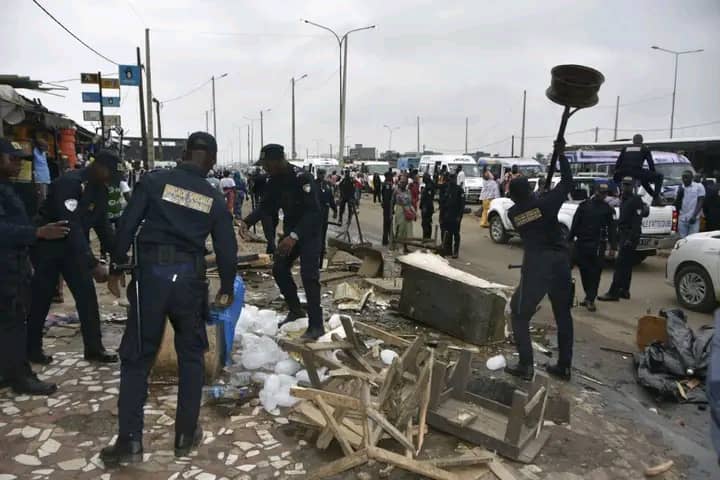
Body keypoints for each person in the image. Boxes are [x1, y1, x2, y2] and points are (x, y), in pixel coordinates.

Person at [100, 132, 238, 466]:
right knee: (191, 355)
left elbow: (126, 226)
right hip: (189, 281)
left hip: (151, 278)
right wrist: (228, 285)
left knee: (137, 359)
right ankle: (184, 435)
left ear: (185, 153)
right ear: (212, 160)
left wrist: (117, 266)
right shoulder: (213, 197)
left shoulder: (154, 181)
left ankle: (130, 442)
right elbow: (226, 248)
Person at [27, 150, 120, 365]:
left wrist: (118, 256)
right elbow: (71, 225)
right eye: (110, 174)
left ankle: (94, 349)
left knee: (87, 298)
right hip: (48, 247)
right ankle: (31, 349)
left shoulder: (100, 191)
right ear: (99, 167)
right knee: (41, 298)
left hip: (73, 250)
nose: (110, 180)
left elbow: (103, 227)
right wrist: (93, 263)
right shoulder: (69, 183)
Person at [0, 138, 69, 395]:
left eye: (20, 159)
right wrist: (38, 233)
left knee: (10, 320)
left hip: (13, 263)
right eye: (12, 158)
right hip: (4, 268)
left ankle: (8, 370)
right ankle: (20, 376)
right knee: (13, 322)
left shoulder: (9, 187)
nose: (18, 164)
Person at [504, 142, 574, 382]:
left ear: (512, 196)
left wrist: (538, 198)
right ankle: (564, 366)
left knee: (519, 313)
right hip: (561, 263)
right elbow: (567, 183)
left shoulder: (514, 214)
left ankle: (526, 365)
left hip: (537, 268)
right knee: (563, 314)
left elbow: (530, 210)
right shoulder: (546, 204)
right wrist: (562, 156)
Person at [239, 144, 324, 339]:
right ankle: (295, 311)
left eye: (267, 164)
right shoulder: (273, 180)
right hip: (290, 234)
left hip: (309, 233)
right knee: (279, 268)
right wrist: (247, 222)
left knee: (309, 276)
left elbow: (314, 212)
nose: (264, 168)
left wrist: (294, 236)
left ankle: (316, 325)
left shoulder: (301, 178)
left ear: (279, 160)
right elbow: (266, 206)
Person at [598, 177, 650, 302]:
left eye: (628, 185)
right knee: (626, 265)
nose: (625, 187)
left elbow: (637, 221)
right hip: (624, 234)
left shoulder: (635, 200)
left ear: (632, 186)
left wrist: (630, 238)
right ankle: (625, 290)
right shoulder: (623, 199)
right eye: (624, 184)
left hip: (629, 236)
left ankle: (613, 292)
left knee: (620, 265)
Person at [569, 182, 617, 312]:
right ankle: (588, 296)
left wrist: (613, 246)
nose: (602, 195)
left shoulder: (607, 209)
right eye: (600, 193)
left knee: (595, 273)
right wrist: (568, 241)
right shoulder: (584, 206)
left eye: (605, 193)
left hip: (597, 245)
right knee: (584, 271)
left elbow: (612, 228)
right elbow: (575, 224)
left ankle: (590, 299)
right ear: (595, 192)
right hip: (582, 243)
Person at [613, 134, 663, 204]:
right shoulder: (644, 148)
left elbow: (618, 163)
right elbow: (650, 164)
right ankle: (655, 197)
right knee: (659, 176)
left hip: (623, 172)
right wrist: (652, 175)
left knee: (644, 179)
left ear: (633, 141)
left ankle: (654, 196)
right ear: (642, 141)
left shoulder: (625, 148)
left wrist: (617, 173)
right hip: (636, 171)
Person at [440, 173, 465, 258]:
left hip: (455, 216)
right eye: (450, 179)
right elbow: (443, 204)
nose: (451, 181)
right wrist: (441, 216)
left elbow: (462, 205)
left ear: (455, 179)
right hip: (447, 216)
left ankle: (456, 251)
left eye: (453, 179)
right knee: (448, 234)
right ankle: (448, 250)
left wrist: (459, 216)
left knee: (456, 234)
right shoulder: (447, 189)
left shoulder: (459, 190)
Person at [675, 170, 705, 238]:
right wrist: (679, 194)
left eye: (686, 177)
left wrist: (694, 215)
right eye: (683, 177)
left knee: (693, 239)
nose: (684, 180)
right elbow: (676, 204)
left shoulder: (699, 186)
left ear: (691, 178)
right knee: (682, 240)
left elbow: (700, 202)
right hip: (682, 219)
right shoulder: (680, 188)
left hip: (693, 219)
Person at [316, 169, 337, 268]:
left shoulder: (327, 185)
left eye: (322, 174)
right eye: (319, 174)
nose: (321, 175)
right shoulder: (313, 184)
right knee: (315, 234)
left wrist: (335, 210)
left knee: (323, 232)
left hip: (324, 213)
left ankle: (322, 248)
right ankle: (316, 249)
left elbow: (331, 199)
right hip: (314, 214)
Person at [392, 173, 415, 253]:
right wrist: (391, 212)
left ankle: (406, 246)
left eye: (404, 182)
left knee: (408, 230)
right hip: (400, 210)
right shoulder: (396, 191)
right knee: (400, 229)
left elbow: (411, 202)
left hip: (408, 210)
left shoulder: (408, 191)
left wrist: (413, 211)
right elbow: (392, 202)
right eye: (402, 182)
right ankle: (399, 247)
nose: (403, 184)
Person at [33, 137, 52, 202]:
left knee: (45, 195)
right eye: (44, 147)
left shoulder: (43, 153)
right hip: (39, 177)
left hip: (45, 176)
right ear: (39, 146)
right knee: (41, 196)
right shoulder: (34, 152)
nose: (45, 149)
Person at [420, 173, 436, 241]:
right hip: (426, 207)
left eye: (424, 177)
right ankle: (427, 238)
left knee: (425, 223)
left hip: (427, 208)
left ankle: (426, 238)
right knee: (427, 223)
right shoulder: (428, 185)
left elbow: (429, 199)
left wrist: (425, 207)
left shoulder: (429, 186)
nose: (423, 179)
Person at [381, 171, 395, 246]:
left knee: (388, 223)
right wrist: (391, 208)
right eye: (391, 176)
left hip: (387, 207)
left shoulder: (387, 184)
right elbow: (386, 198)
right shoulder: (387, 185)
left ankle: (388, 239)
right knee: (388, 223)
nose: (392, 178)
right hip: (388, 207)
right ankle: (387, 240)